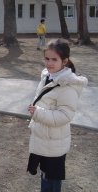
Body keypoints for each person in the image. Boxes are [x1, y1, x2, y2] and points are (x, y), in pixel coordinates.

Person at [27, 39, 88, 192]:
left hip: (54, 142)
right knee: (45, 174)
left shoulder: (67, 86)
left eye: (54, 59)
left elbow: (65, 116)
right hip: (45, 137)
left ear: (65, 61)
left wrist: (39, 113)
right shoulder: (48, 76)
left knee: (52, 179)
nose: (49, 63)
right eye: (47, 58)